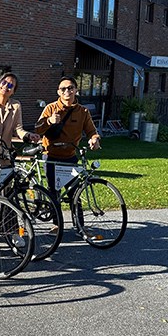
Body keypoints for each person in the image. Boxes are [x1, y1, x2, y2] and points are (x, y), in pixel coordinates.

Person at [34, 76, 100, 233]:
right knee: (53, 192)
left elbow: (92, 131)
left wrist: (94, 139)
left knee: (75, 192)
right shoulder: (50, 108)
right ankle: (57, 225)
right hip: (51, 156)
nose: (67, 91)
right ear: (58, 92)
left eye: (70, 88)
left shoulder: (83, 111)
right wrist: (49, 121)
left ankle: (79, 225)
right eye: (63, 89)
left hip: (70, 156)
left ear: (76, 90)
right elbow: (37, 128)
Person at [0, 72, 41, 172]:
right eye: (4, 82)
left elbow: (18, 128)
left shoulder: (16, 106)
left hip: (4, 156)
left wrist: (28, 135)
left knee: (5, 186)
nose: (6, 86)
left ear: (13, 91)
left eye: (10, 85)